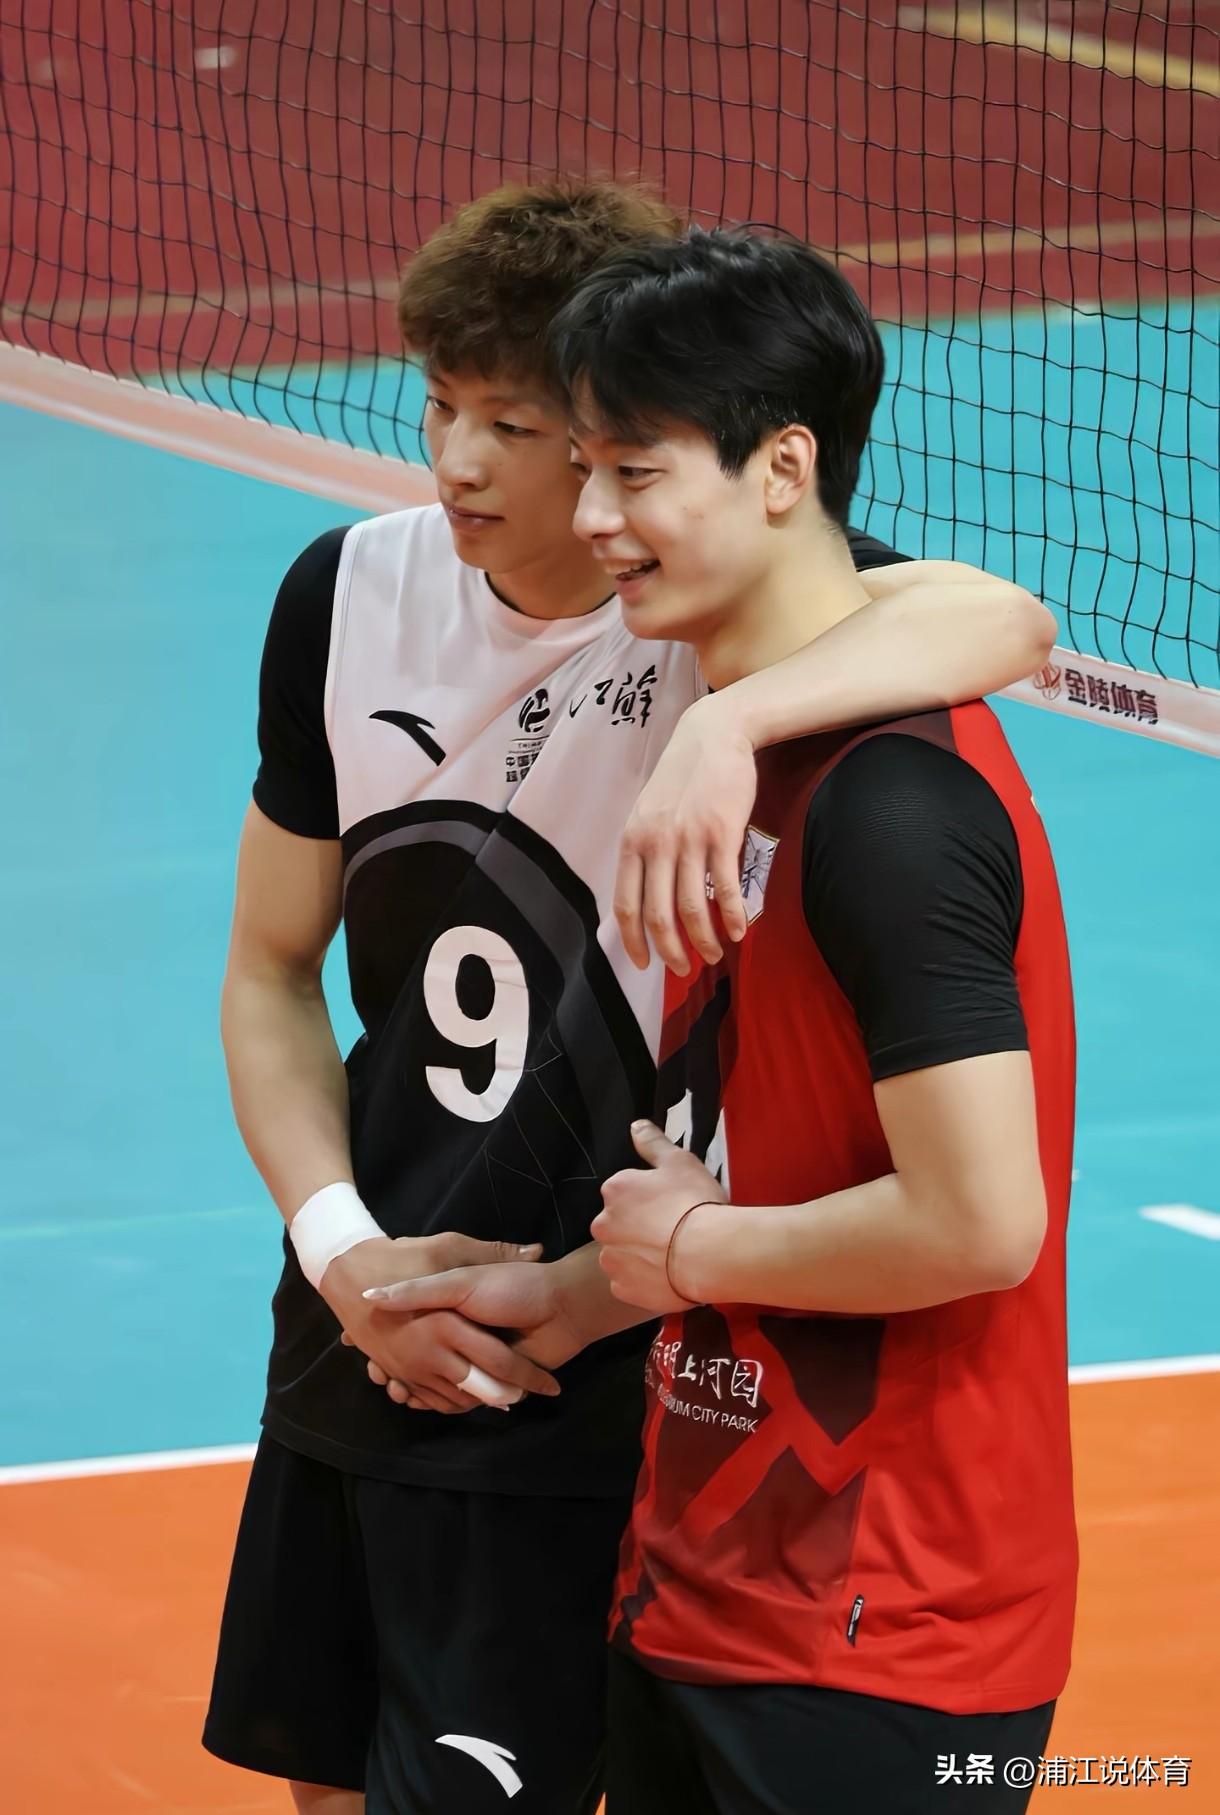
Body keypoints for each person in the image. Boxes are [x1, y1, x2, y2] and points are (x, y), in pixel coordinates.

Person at [202, 181, 1057, 1815]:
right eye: (439, 406)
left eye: (519, 427)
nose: (458, 462)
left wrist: (727, 724)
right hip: (361, 1311)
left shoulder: (706, 619)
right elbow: (266, 969)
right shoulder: (344, 593)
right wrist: (341, 1250)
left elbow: (1006, 617)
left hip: (595, 1348)